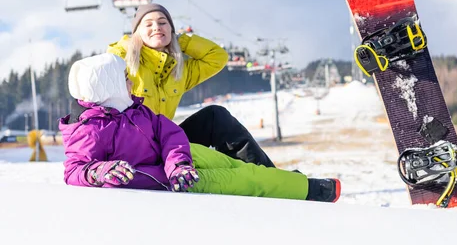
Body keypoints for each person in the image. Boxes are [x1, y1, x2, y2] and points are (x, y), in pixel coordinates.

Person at [60, 53, 340, 202]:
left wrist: (178, 162)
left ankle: (290, 184)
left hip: (180, 161)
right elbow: (74, 169)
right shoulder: (89, 130)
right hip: (173, 182)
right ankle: (310, 190)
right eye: (124, 78)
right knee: (246, 182)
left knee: (241, 168)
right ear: (108, 87)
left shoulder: (132, 108)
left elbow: (168, 132)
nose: (131, 81)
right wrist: (99, 172)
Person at [107, 3, 276, 168]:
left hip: (165, 143)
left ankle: (263, 174)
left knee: (215, 116)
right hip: (133, 149)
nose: (157, 27)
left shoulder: (179, 70)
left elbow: (217, 57)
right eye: (148, 24)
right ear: (137, 33)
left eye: (163, 23)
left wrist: (182, 41)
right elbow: (104, 69)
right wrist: (127, 46)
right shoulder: (125, 63)